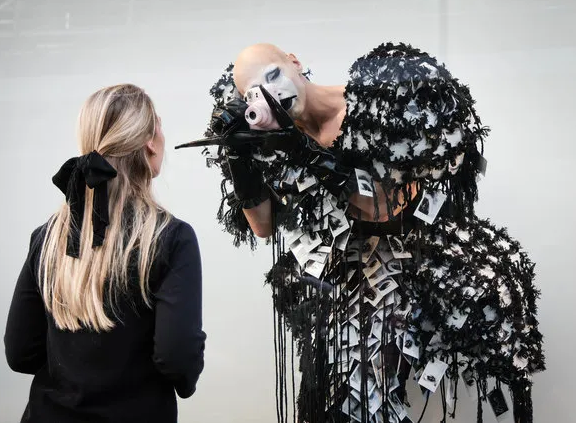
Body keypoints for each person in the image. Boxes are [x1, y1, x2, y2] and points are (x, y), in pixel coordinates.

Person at [192, 43, 544, 423]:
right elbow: (263, 227)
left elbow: (385, 204)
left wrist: (304, 152)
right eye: (254, 91)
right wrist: (239, 158)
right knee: (329, 401)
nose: (271, 92)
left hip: (399, 275)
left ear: (294, 62)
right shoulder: (272, 134)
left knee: (375, 398)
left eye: (273, 75)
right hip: (335, 283)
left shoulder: (371, 107)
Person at [4, 84, 206, 423]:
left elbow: (20, 353)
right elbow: (177, 359)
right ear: (150, 144)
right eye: (159, 125)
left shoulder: (48, 238)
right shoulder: (171, 238)